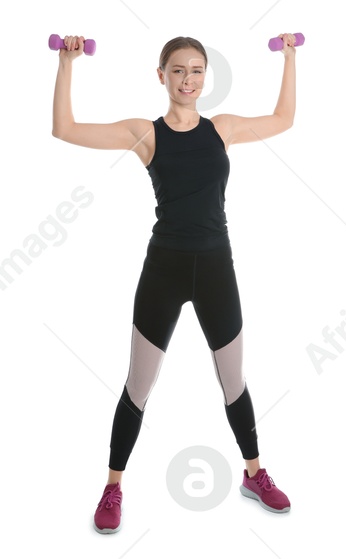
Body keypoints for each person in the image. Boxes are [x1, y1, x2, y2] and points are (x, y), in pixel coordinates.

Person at [51, 34, 300, 534]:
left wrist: (290, 57)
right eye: (179, 71)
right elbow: (64, 129)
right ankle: (112, 486)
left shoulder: (222, 129)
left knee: (235, 383)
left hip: (215, 269)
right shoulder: (145, 133)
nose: (189, 80)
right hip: (163, 268)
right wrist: (66, 63)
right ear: (160, 75)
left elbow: (284, 119)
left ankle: (254, 474)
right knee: (138, 388)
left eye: (197, 71)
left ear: (206, 77)